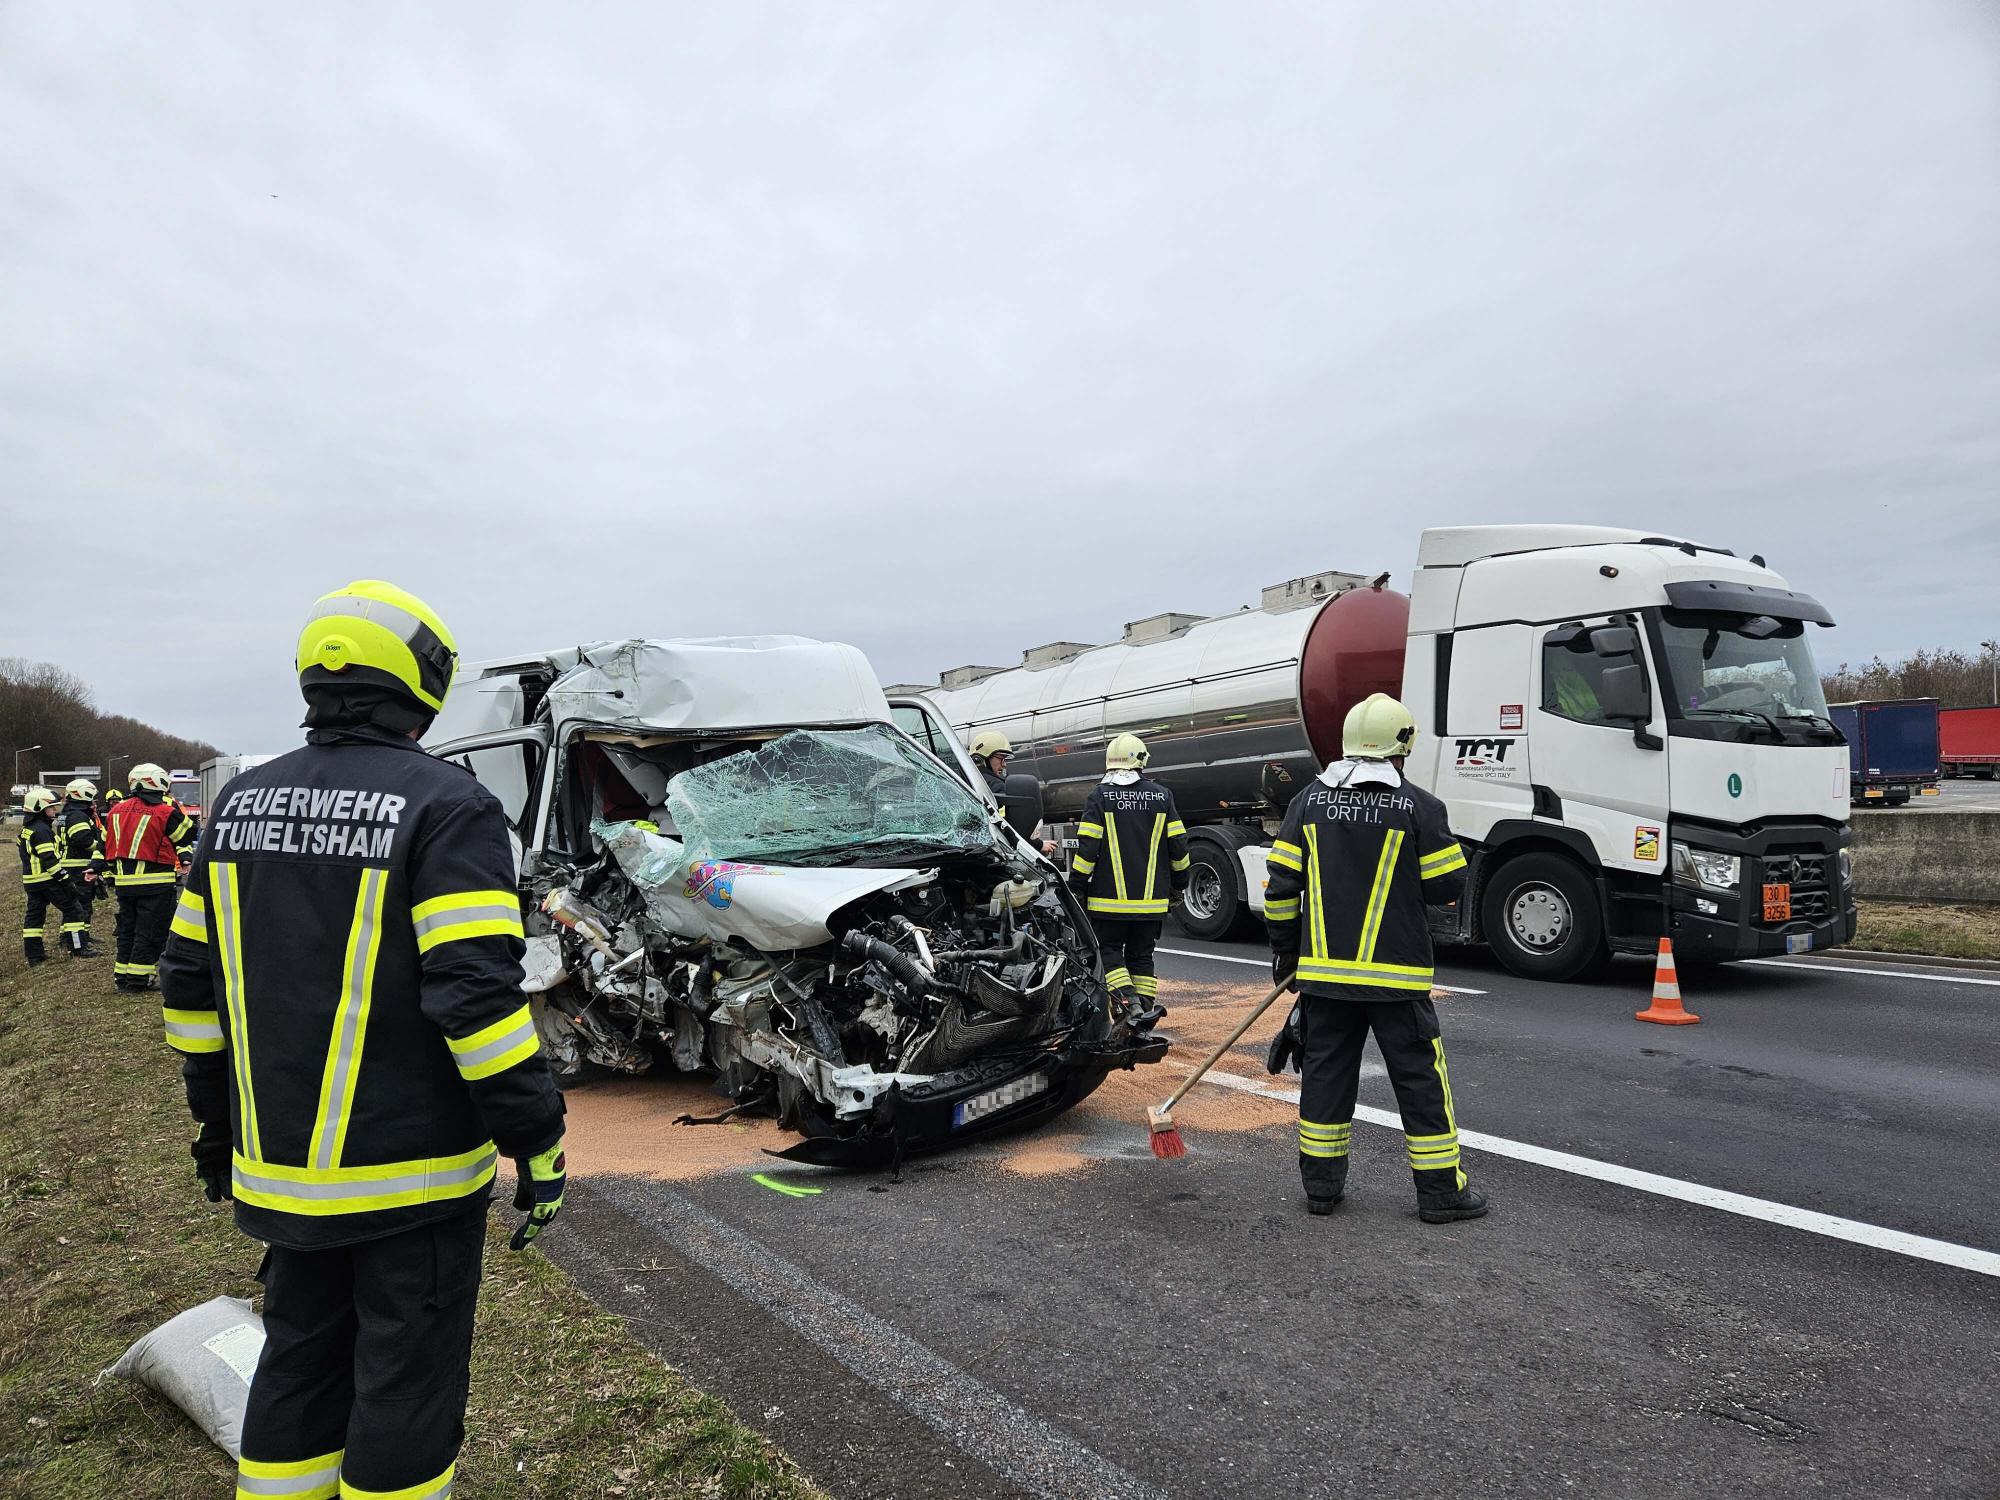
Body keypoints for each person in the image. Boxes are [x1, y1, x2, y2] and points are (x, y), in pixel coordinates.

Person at [158, 579, 567, 1500]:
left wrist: (217, 1126)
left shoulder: (238, 807)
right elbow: (476, 1003)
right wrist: (536, 1137)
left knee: (298, 1365)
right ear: (422, 685)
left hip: (278, 1170)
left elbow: (188, 989)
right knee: (406, 1385)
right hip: (410, 1180)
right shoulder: (448, 808)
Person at [1264, 693, 1485, 1223]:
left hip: (1324, 979)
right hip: (1396, 978)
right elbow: (1445, 888)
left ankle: (1321, 1190)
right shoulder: (1420, 807)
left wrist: (1286, 955)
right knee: (1419, 1082)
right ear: (1401, 746)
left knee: (1324, 1079)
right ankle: (1439, 1194)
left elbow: (1279, 888)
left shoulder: (1307, 804)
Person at [1067, 733, 1189, 1023]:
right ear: (1142, 761)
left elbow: (1087, 850)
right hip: (1152, 904)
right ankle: (1144, 1009)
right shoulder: (1162, 796)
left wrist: (1076, 888)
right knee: (1142, 956)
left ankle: (1127, 1003)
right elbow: (1179, 846)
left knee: (1109, 952)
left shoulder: (1099, 796)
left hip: (1108, 903)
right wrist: (1180, 884)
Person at [102, 763, 197, 991]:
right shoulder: (165, 812)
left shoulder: (116, 811)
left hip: (124, 884)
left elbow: (105, 843)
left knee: (127, 929)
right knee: (150, 932)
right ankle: (138, 979)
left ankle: (122, 978)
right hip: (155, 883)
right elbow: (187, 833)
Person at [17, 786, 93, 964]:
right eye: (51, 807)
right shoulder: (42, 831)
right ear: (40, 809)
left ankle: (34, 956)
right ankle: (77, 948)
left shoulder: (27, 830)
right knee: (73, 909)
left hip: (31, 881)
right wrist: (65, 880)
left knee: (34, 917)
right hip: (47, 880)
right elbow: (49, 860)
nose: (54, 810)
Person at [970, 730, 1057, 855]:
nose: (1004, 765)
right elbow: (1009, 827)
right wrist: (1038, 845)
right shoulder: (995, 787)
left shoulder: (970, 784)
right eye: (1000, 758)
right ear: (980, 759)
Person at [53, 777, 106, 957]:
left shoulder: (67, 814)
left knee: (75, 905)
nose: (94, 801)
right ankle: (77, 945)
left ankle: (74, 936)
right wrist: (100, 848)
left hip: (70, 865)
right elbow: (82, 839)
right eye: (92, 797)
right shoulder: (77, 816)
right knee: (79, 906)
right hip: (77, 867)